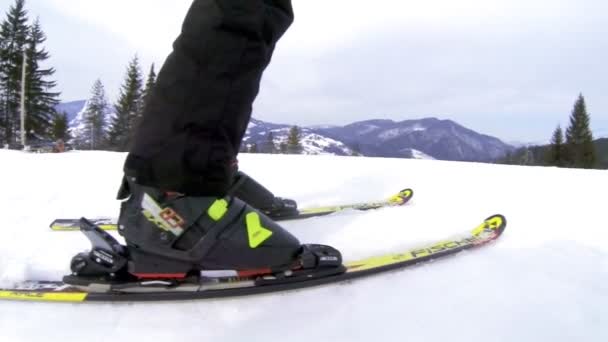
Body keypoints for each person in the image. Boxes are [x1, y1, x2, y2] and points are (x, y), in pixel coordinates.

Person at [99, 0, 341, 277]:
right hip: (179, 178)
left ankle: (196, 169)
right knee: (239, 14)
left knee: (256, 14)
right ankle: (175, 189)